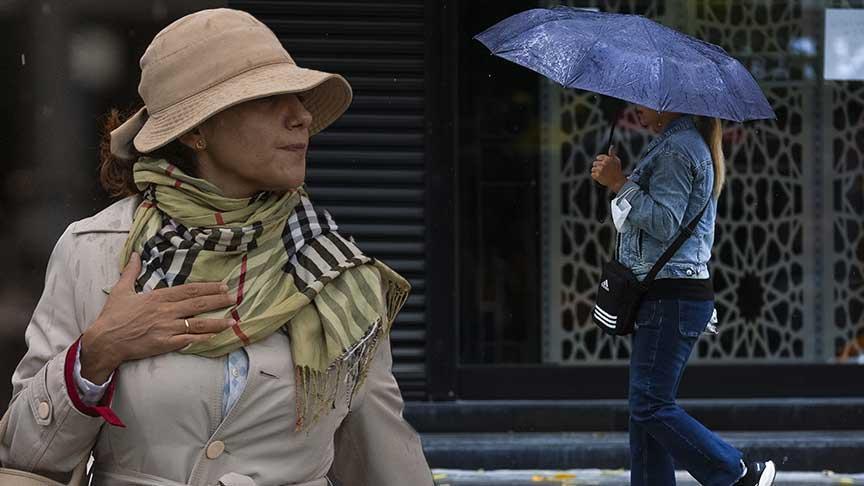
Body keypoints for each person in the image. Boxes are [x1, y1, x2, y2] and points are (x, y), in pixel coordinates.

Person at [0, 8, 433, 486]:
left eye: (299, 98)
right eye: (270, 98)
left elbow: (384, 461)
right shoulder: (95, 250)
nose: (302, 115)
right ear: (195, 131)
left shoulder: (336, 272)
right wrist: (96, 354)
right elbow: (25, 457)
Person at [591, 105, 776, 486]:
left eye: (643, 102)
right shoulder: (675, 145)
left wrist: (619, 183)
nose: (635, 109)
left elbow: (663, 222)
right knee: (644, 412)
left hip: (671, 298)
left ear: (669, 104)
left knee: (649, 405)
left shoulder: (679, 150)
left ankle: (737, 473)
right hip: (666, 296)